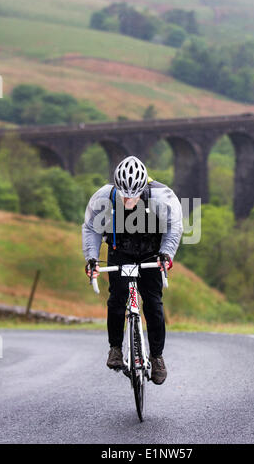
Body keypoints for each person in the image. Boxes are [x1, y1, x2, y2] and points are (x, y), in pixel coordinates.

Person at [82, 156, 183, 385]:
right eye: (124, 194)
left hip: (151, 253)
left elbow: (174, 226)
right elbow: (91, 228)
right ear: (116, 186)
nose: (129, 199)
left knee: (154, 302)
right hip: (120, 251)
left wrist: (166, 254)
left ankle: (157, 357)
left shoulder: (161, 195)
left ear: (143, 187)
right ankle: (115, 348)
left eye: (134, 195)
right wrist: (92, 258)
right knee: (117, 299)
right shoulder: (103, 197)